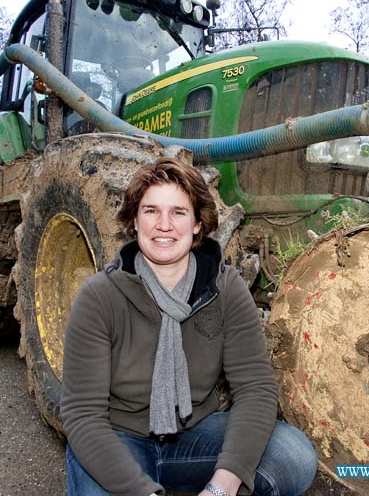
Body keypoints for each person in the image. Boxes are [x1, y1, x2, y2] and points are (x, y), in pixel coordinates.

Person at [60, 157, 317, 496]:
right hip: (117, 437)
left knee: (293, 454)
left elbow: (255, 388)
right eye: (151, 211)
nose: (163, 225)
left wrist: (220, 488)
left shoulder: (224, 289)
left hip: (196, 435)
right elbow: (82, 415)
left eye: (178, 212)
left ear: (197, 223)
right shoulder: (100, 296)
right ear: (134, 222)